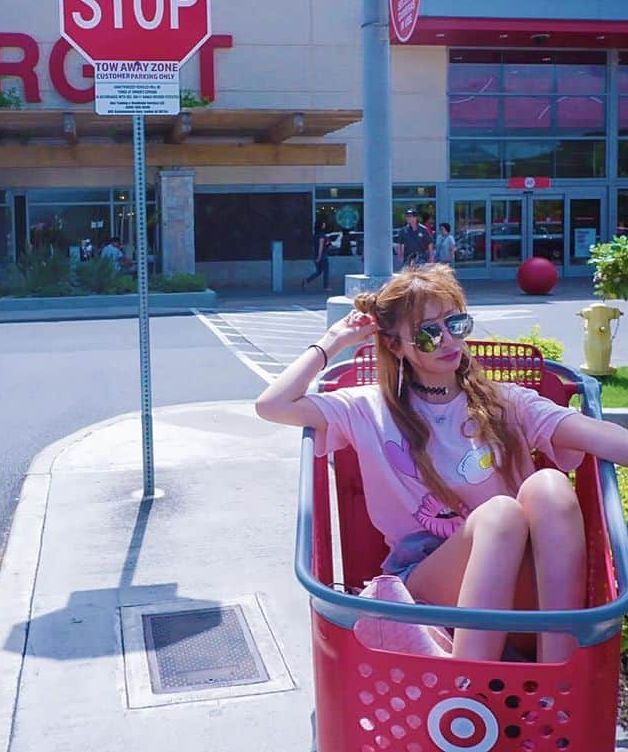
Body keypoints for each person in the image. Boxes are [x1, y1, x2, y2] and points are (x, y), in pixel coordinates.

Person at [254, 263, 628, 663]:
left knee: (549, 485)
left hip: (520, 585)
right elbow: (272, 405)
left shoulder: (504, 402)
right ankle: (469, 686)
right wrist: (333, 341)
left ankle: (558, 676)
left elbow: (603, 438)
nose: (449, 340)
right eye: (428, 334)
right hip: (427, 587)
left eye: (457, 323)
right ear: (396, 346)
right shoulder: (367, 408)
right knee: (500, 514)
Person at [302, 220, 330, 292]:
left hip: (316, 255)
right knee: (326, 271)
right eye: (323, 224)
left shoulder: (316, 235)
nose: (324, 225)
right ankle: (325, 286)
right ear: (321, 225)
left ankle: (306, 280)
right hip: (322, 255)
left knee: (319, 271)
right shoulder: (321, 235)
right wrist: (319, 256)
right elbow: (320, 246)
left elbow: (315, 246)